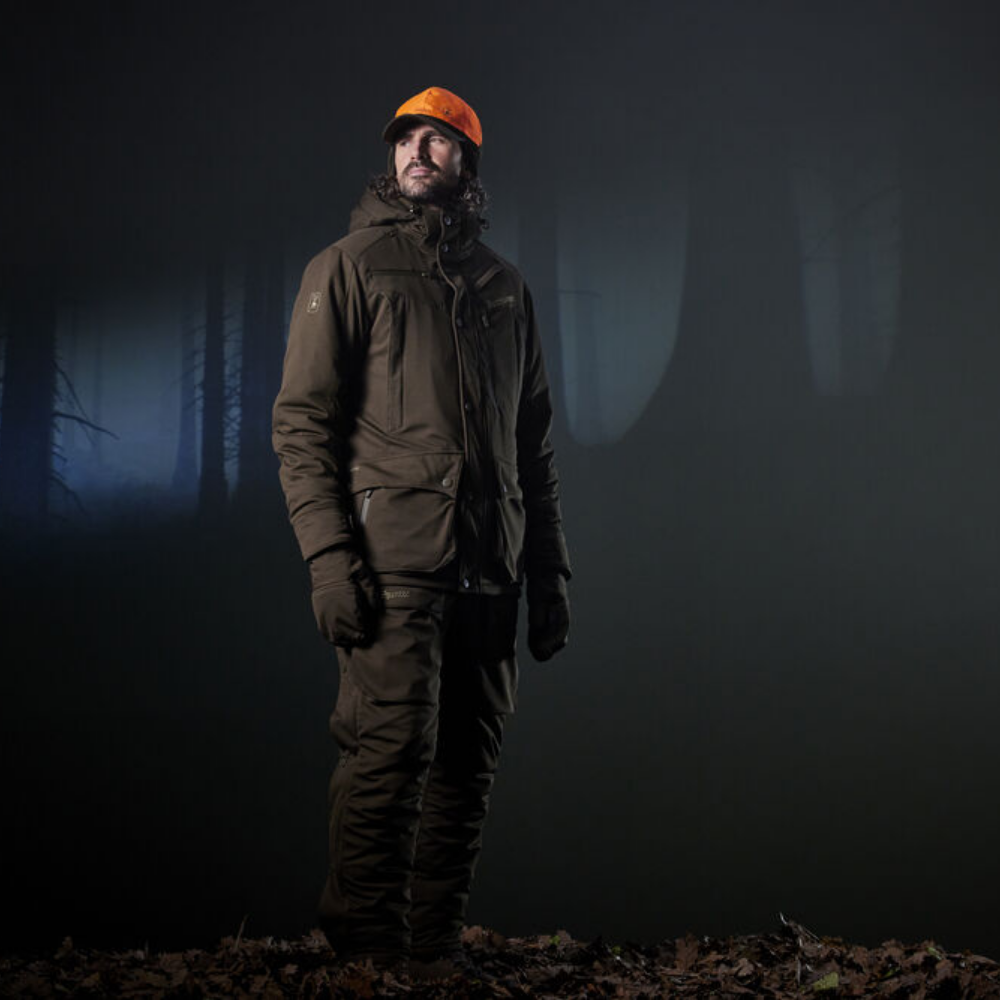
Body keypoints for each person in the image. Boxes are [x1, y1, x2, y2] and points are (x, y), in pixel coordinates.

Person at [272, 85, 571, 978]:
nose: (416, 151)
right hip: (394, 565)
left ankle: (433, 954)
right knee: (390, 755)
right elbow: (302, 426)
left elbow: (532, 446)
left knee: (467, 768)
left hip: (492, 568)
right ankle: (370, 957)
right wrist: (330, 561)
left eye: (437, 140)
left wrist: (550, 574)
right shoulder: (348, 267)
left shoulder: (506, 289)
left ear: (467, 162)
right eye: (406, 138)